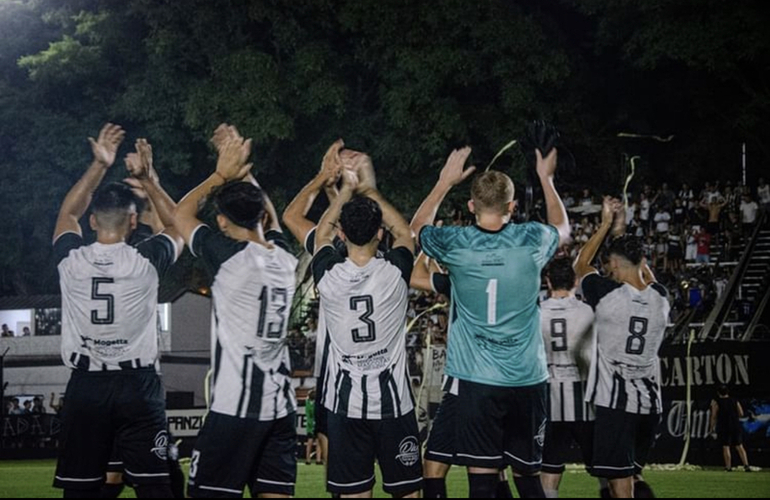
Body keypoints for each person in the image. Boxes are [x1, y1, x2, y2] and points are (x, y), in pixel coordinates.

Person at [411, 130, 571, 499]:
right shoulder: (532, 240)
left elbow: (416, 229)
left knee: (482, 479)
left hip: (477, 380)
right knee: (527, 477)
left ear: (471, 206)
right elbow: (562, 229)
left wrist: (443, 182)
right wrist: (546, 178)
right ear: (512, 207)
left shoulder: (457, 244)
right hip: (527, 378)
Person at [52, 124, 182, 498]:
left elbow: (68, 212)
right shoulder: (146, 260)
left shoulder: (70, 261)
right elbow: (177, 224)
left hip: (86, 385)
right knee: (155, 487)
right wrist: (149, 179)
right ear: (133, 221)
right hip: (137, 385)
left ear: (93, 221)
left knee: (81, 489)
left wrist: (99, 164)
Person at [176, 125, 299, 499]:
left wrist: (222, 173)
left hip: (235, 408)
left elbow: (181, 214)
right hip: (280, 407)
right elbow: (271, 219)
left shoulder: (227, 256)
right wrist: (245, 172)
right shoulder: (285, 258)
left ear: (222, 222)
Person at [312, 152, 422, 498]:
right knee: (407, 493)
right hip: (394, 403)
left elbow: (320, 235)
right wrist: (369, 189)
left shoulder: (328, 275)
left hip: (346, 406)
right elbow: (404, 232)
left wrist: (345, 191)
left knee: (354, 493)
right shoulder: (395, 272)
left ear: (342, 233)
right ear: (379, 232)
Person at [574, 198, 670, 499]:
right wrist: (624, 236)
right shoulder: (661, 297)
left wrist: (605, 225)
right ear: (643, 261)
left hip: (616, 403)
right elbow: (648, 278)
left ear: (614, 264)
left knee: (619, 482)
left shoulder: (606, 294)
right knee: (634, 475)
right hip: (650, 405)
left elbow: (581, 264)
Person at [410, 252, 514, 499]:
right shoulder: (507, 286)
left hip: (465, 383)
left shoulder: (461, 283)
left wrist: (427, 248)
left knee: (444, 466)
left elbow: (415, 276)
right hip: (496, 380)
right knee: (491, 467)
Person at [539, 258, 597, 499]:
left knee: (550, 468)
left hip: (549, 395)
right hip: (584, 395)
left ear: (548, 281)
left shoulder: (538, 312)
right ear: (575, 281)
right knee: (605, 468)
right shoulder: (587, 311)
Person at [710, 386, 751, 473]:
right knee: (739, 446)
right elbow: (741, 413)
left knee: (726, 446)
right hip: (735, 425)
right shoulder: (734, 400)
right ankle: (746, 465)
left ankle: (728, 466)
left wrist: (712, 428)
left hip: (724, 426)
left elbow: (714, 416)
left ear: (718, 393)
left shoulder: (717, 402)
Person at [305, 390, 323, 466]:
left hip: (310, 425)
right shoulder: (316, 404)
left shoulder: (307, 403)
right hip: (316, 423)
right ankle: (318, 459)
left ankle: (308, 459)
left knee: (309, 442)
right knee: (318, 443)